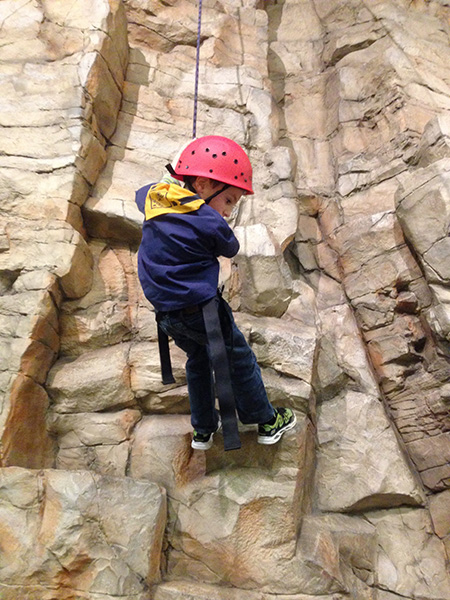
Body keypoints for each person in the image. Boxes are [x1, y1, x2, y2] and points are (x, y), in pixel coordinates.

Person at [135, 135, 296, 450]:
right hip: (202, 311)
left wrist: (181, 187)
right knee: (238, 359)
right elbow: (230, 246)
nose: (228, 210)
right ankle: (266, 420)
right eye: (230, 200)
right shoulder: (206, 218)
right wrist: (204, 210)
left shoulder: (155, 200)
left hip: (167, 315)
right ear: (204, 185)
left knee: (197, 359)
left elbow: (145, 191)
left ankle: (203, 430)